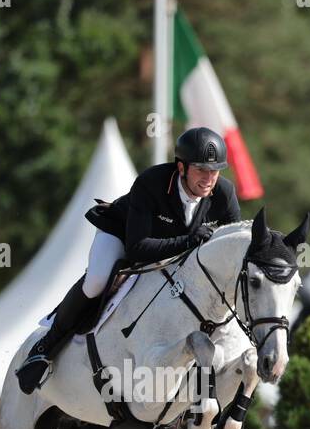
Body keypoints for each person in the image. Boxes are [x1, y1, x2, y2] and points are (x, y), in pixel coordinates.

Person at [14, 126, 242, 394]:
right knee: (97, 281)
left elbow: (231, 250)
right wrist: (190, 241)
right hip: (123, 237)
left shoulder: (224, 194)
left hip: (176, 254)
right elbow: (138, 249)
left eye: (214, 171)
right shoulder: (152, 183)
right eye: (201, 170)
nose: (208, 178)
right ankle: (45, 348)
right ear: (181, 167)